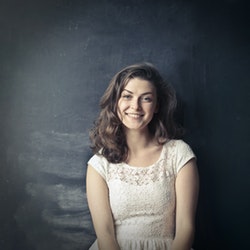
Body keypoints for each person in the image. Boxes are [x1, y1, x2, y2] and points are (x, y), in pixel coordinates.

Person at [86, 63, 199, 250]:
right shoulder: (99, 164)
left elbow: (186, 228)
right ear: (115, 102)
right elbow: (105, 234)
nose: (135, 106)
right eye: (127, 96)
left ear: (156, 106)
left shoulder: (179, 154)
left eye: (146, 99)